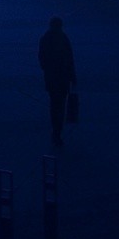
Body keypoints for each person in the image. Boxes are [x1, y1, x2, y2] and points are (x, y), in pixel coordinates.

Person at [37, 16, 77, 148]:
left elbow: (42, 59)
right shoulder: (63, 38)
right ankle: (57, 131)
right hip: (63, 78)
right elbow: (70, 58)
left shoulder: (46, 38)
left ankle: (56, 131)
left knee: (55, 105)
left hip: (52, 79)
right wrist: (72, 76)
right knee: (60, 105)